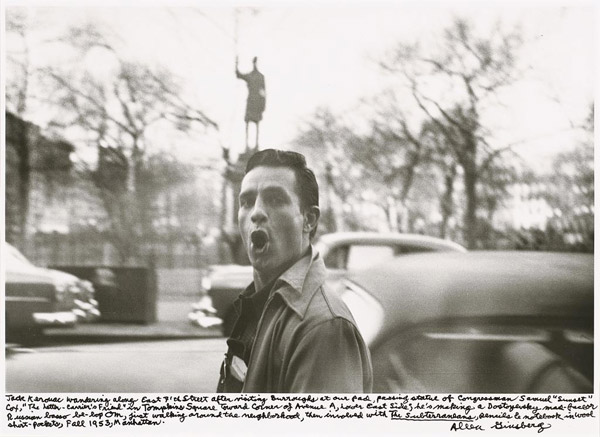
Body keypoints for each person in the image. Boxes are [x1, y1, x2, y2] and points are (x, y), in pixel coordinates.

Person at [217, 149, 373, 393]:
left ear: (309, 220)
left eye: (275, 200)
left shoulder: (324, 328)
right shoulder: (261, 304)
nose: (256, 212)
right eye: (246, 202)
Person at [235, 56, 266, 150]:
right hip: (250, 101)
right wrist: (236, 63)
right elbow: (239, 75)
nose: (255, 64)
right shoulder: (250, 76)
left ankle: (256, 146)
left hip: (257, 103)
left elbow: (263, 92)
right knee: (247, 122)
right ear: (253, 63)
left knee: (257, 124)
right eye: (254, 63)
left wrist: (263, 105)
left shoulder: (261, 77)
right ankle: (247, 146)